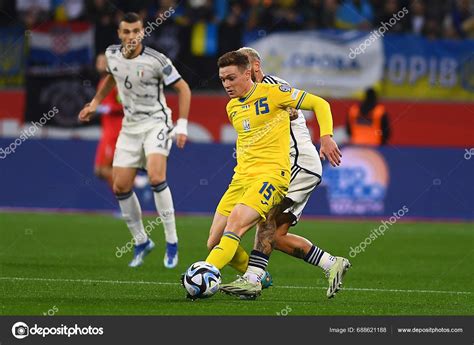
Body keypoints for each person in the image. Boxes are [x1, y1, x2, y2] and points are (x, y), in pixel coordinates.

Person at [201, 50, 341, 298]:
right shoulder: (233, 106)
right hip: (251, 174)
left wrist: (326, 135)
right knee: (273, 234)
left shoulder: (274, 88)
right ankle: (331, 263)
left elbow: (315, 103)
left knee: (262, 219)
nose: (227, 84)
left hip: (296, 162)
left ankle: (253, 279)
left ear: (251, 67)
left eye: (232, 76)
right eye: (223, 79)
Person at [78, 12, 191, 269]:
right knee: (120, 186)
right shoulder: (111, 55)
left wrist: (181, 126)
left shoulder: (157, 60)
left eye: (136, 31)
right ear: (119, 34)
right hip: (129, 128)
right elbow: (110, 77)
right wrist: (94, 103)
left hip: (156, 123)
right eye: (126, 32)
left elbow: (183, 88)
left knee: (155, 177)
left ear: (143, 32)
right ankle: (141, 241)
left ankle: (172, 241)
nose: (131, 36)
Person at [93, 53, 123, 190]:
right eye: (98, 61)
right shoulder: (102, 82)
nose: (99, 64)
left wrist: (104, 108)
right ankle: (124, 203)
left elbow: (125, 104)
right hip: (107, 131)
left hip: (114, 131)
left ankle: (136, 182)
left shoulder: (115, 83)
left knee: (104, 169)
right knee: (99, 171)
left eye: (103, 61)